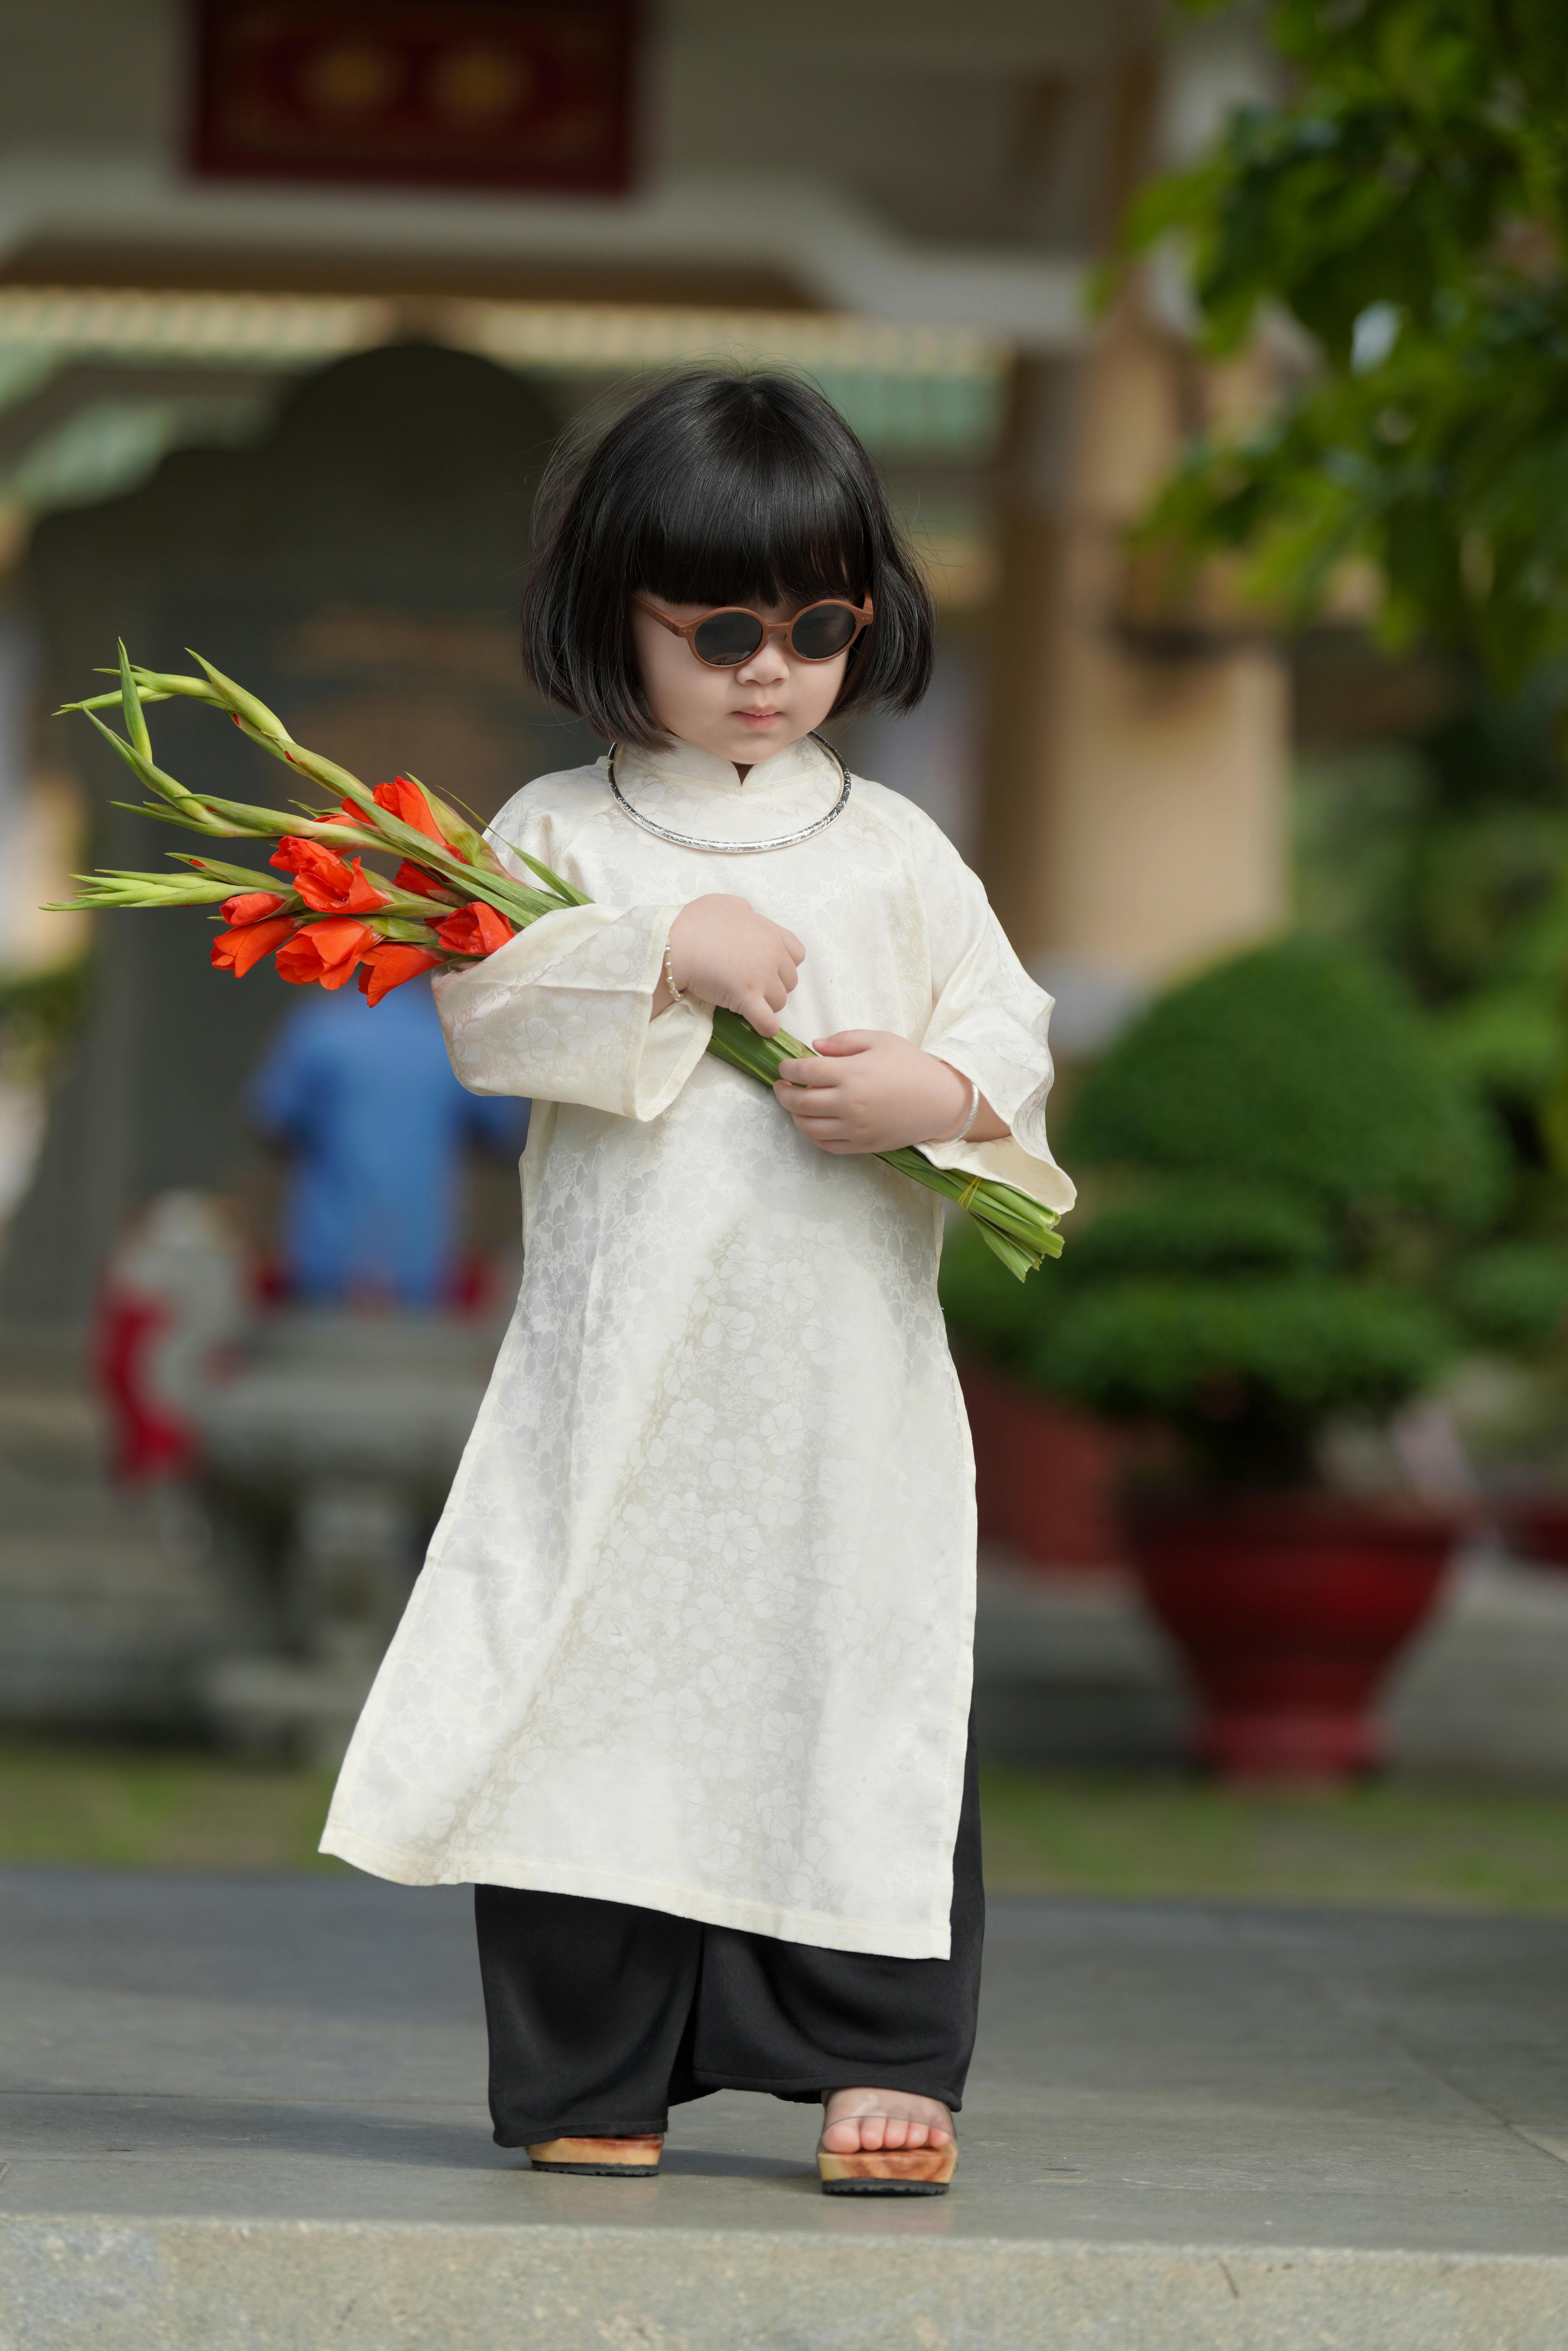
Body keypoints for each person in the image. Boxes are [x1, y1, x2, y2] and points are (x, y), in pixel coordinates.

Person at [320, 372, 1074, 2193]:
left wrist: (942, 1092)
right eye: (720, 628)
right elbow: (493, 1021)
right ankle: (600, 2062)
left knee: (859, 1663)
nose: (770, 670)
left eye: (818, 628)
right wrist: (663, 950)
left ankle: (878, 2052)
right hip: (626, 1369)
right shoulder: (558, 834)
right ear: (617, 616)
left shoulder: (895, 847)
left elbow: (1007, 1027)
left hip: (840, 1389)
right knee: (596, 1666)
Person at [248, 977, 527, 1309]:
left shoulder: (321, 1026)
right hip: (426, 1268)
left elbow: (270, 1119)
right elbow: (504, 1132)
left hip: (325, 1263)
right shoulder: (455, 1036)